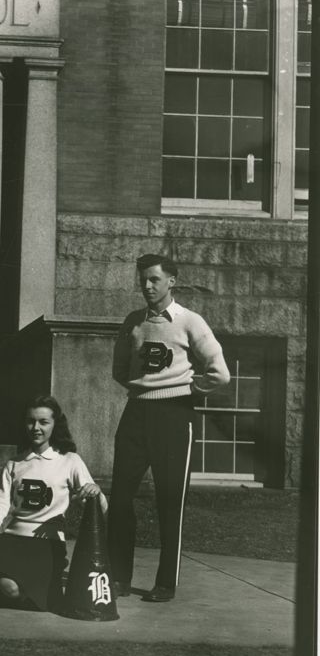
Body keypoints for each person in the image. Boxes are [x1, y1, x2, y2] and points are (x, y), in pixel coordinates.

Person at [108, 253, 230, 603]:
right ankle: (119, 578)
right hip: (136, 413)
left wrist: (185, 389)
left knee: (170, 501)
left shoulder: (190, 321)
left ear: (171, 281)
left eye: (154, 280)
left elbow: (220, 372)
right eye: (143, 280)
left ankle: (166, 582)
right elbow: (119, 368)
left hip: (175, 416)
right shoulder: (133, 321)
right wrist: (142, 386)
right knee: (119, 499)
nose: (147, 286)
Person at [0, 396, 106, 612]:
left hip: (47, 544)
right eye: (31, 421)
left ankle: (23, 591)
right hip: (14, 539)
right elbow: (0, 503)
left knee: (10, 587)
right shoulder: (15, 463)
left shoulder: (70, 460)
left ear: (54, 425)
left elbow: (101, 506)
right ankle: (19, 590)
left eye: (43, 422)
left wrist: (95, 492)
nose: (36, 428)